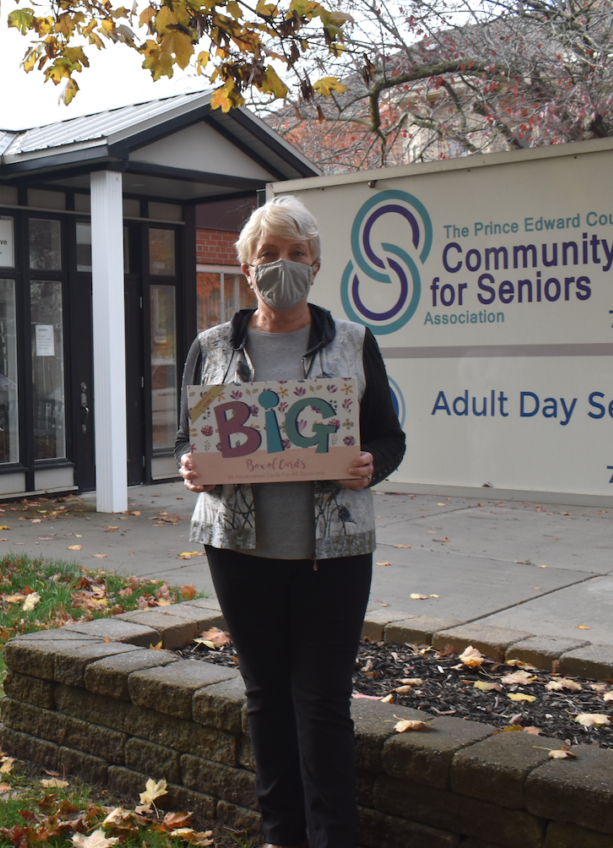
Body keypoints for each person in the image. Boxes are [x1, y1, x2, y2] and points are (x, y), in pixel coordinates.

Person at [174, 196, 405, 848]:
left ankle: (335, 837)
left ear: (317, 264)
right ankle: (282, 836)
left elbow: (389, 439)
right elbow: (186, 441)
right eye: (268, 255)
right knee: (266, 698)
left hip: (332, 555)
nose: (282, 266)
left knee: (325, 703)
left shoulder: (355, 344)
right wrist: (192, 468)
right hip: (240, 552)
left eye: (296, 255)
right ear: (246, 267)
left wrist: (369, 465)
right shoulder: (210, 348)